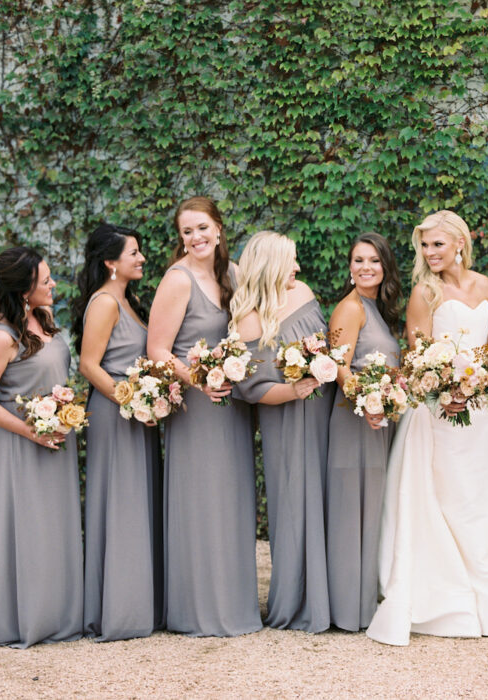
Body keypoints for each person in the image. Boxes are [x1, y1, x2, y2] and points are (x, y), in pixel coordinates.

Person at [367, 210, 488, 646]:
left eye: (438, 244)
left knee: (482, 502)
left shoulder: (486, 286)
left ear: (460, 244)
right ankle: (447, 596)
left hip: (483, 414)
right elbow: (417, 355)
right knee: (446, 497)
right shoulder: (423, 292)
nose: (430, 253)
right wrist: (444, 391)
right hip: (438, 414)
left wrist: (482, 381)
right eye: (425, 246)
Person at [146, 196, 260, 637]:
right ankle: (195, 609)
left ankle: (232, 603)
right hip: (197, 406)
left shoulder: (233, 274)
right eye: (187, 231)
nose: (196, 237)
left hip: (232, 405)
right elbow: (158, 350)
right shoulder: (178, 280)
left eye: (202, 228)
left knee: (232, 499)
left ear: (218, 228)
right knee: (201, 500)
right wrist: (200, 379)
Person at [0, 247, 83, 648]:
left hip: (57, 438)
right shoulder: (2, 336)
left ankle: (64, 614)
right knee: (32, 526)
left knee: (59, 525)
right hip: (24, 443)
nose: (53, 284)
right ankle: (32, 618)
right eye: (45, 280)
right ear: (23, 289)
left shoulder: (43, 317)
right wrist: (31, 431)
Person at [230, 231, 334, 633]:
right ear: (271, 264)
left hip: (323, 411)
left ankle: (332, 594)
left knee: (327, 497)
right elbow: (251, 389)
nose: (298, 268)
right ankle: (296, 602)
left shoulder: (303, 292)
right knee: (293, 503)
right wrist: (293, 390)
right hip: (286, 419)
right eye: (291, 261)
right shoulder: (249, 318)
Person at [73, 224, 163, 641]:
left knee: (137, 504)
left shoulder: (129, 300)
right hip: (115, 414)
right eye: (134, 253)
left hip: (135, 414)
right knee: (121, 505)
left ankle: (139, 602)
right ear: (111, 262)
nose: (141, 258)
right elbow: (88, 365)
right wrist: (131, 401)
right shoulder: (105, 303)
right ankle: (118, 612)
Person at [325, 232, 402, 631]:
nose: (366, 267)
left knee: (371, 510)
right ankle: (346, 608)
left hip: (377, 422)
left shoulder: (378, 310)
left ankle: (364, 602)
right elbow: (338, 365)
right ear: (349, 267)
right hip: (353, 421)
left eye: (374, 260)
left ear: (385, 267)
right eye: (358, 260)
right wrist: (367, 402)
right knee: (350, 509)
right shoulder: (350, 308)